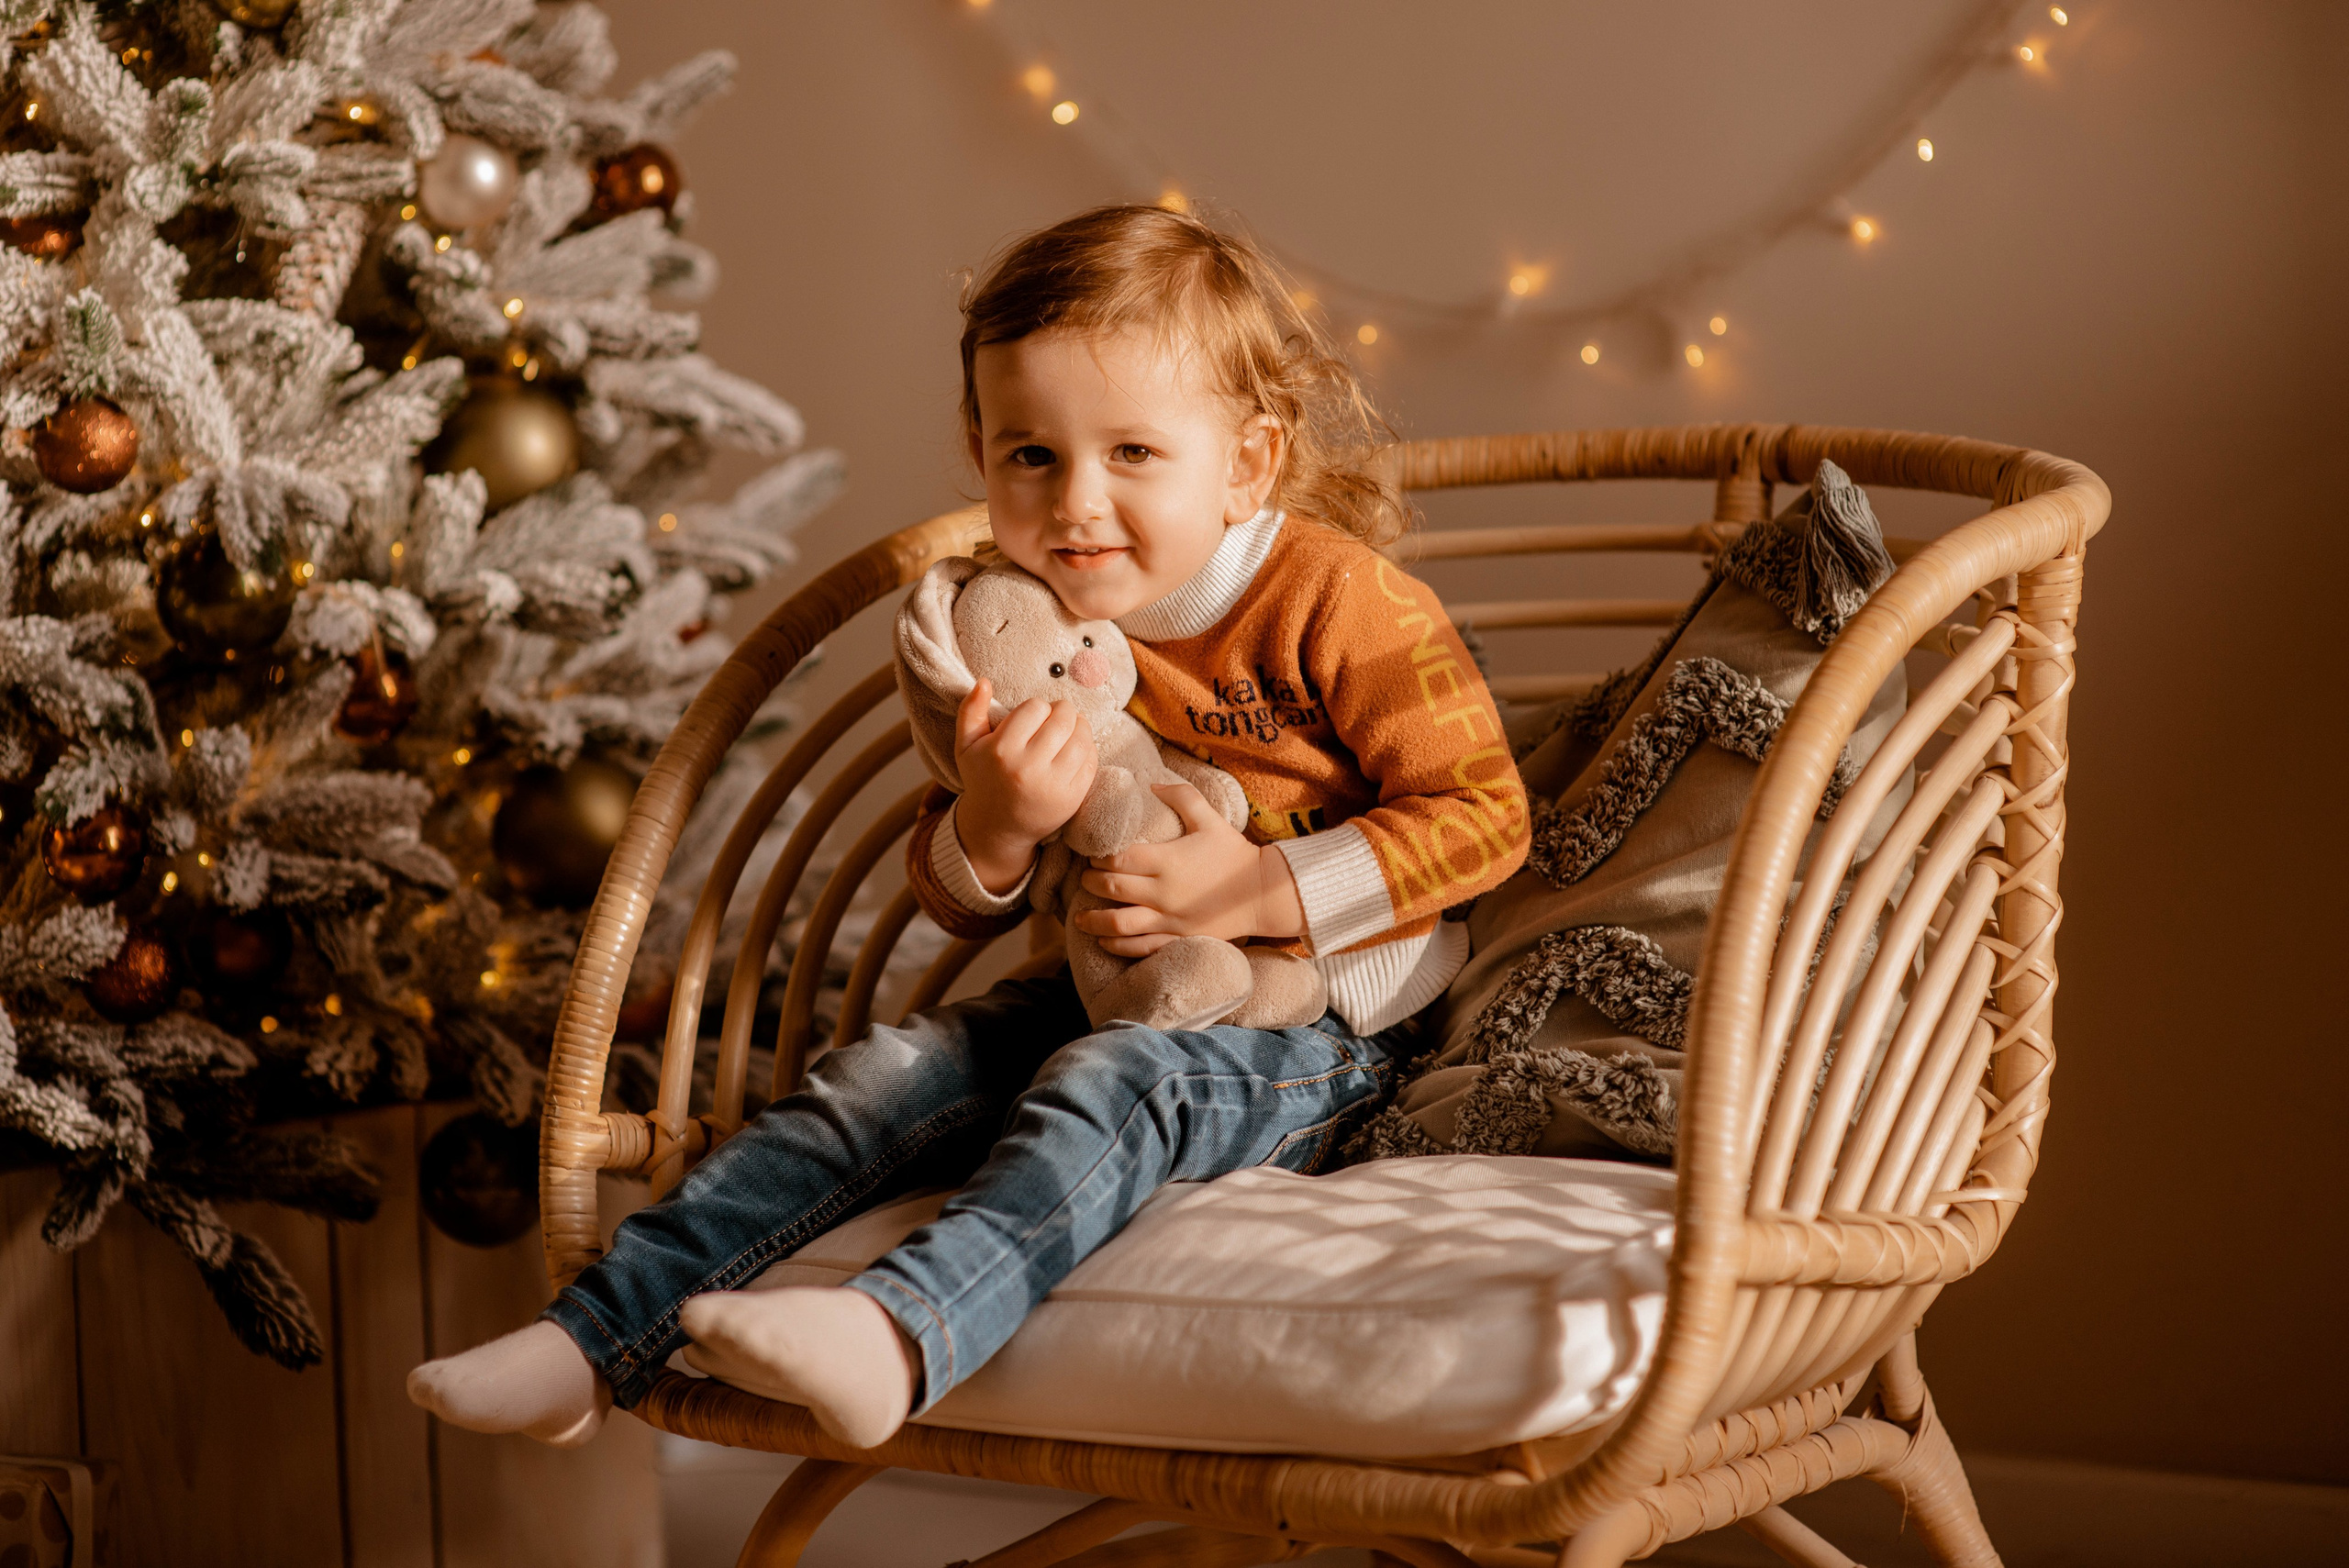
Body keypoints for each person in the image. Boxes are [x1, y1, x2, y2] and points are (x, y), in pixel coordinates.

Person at [406, 205, 1528, 1451]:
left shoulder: (1340, 597)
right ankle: (590, 1339)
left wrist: (1262, 888)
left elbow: (1487, 817)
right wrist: (996, 826)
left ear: (1249, 461)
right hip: (1100, 984)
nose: (1076, 503)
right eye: (1030, 456)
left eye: (1135, 453)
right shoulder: (1014, 620)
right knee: (885, 1076)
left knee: (1118, 1083)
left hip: (1321, 1026)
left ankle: (899, 1331)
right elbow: (949, 888)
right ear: (981, 450)